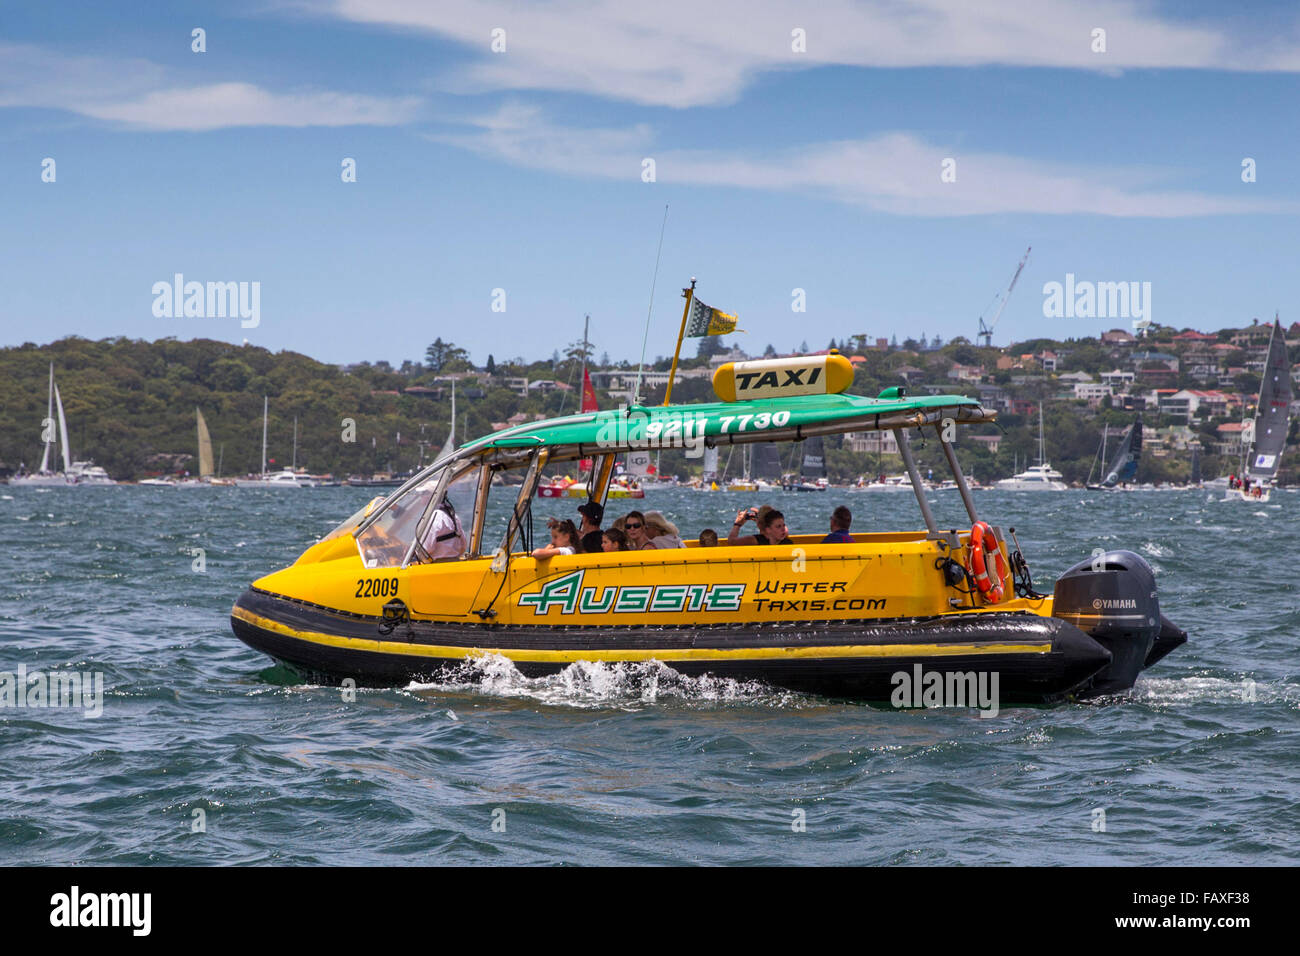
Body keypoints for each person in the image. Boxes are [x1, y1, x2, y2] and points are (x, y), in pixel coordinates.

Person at [419, 496, 467, 560]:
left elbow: (426, 549)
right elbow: (463, 546)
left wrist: (413, 551)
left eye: (423, 493)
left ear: (430, 495)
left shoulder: (432, 517)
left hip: (437, 565)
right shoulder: (453, 515)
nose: (420, 496)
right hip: (455, 562)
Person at [727, 506, 792, 546]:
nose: (783, 529)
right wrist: (761, 517)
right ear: (767, 529)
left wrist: (738, 524)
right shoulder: (786, 542)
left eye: (783, 525)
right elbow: (785, 531)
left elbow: (731, 541)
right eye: (779, 527)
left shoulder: (756, 540)